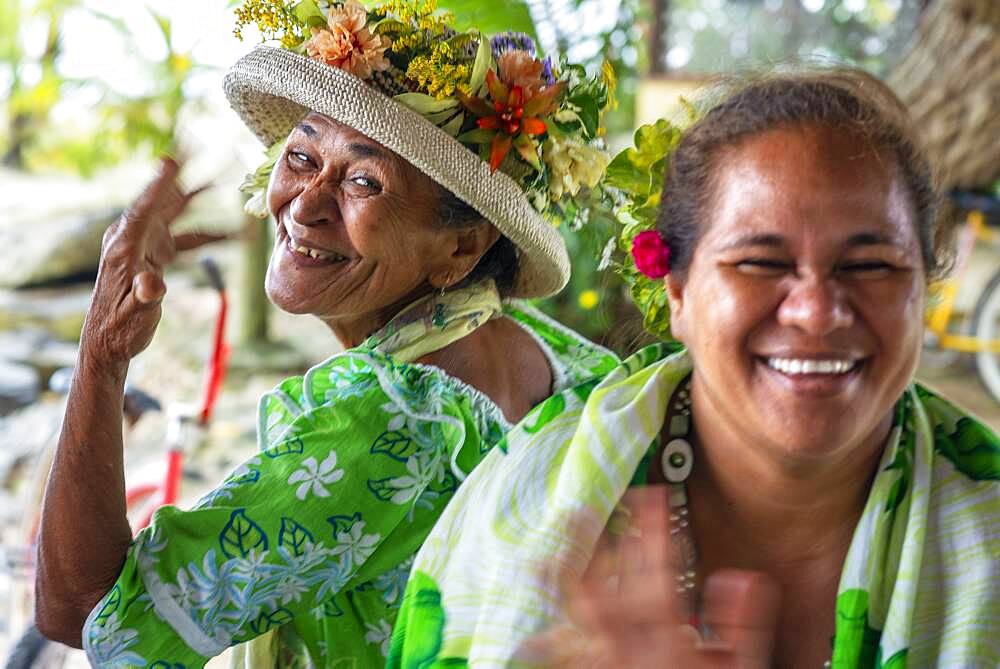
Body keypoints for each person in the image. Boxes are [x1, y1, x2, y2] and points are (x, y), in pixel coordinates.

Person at [33, 2, 619, 666]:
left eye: (364, 180)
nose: (305, 203)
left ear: (461, 246)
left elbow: (84, 612)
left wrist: (103, 353)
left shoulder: (380, 426)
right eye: (303, 155)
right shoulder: (553, 352)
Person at [388, 69, 1000, 668]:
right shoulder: (524, 525)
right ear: (678, 292)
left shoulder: (987, 532)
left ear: (924, 290)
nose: (817, 312)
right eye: (760, 261)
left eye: (870, 266)